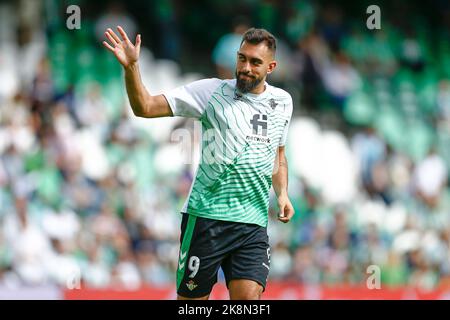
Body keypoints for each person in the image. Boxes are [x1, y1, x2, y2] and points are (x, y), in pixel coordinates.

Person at [103, 26, 295, 300]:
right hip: (207, 220)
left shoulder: (283, 102)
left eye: (255, 62)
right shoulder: (210, 92)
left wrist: (283, 194)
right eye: (242, 58)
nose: (246, 67)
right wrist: (132, 67)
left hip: (253, 224)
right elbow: (144, 107)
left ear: (271, 66)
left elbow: (278, 155)